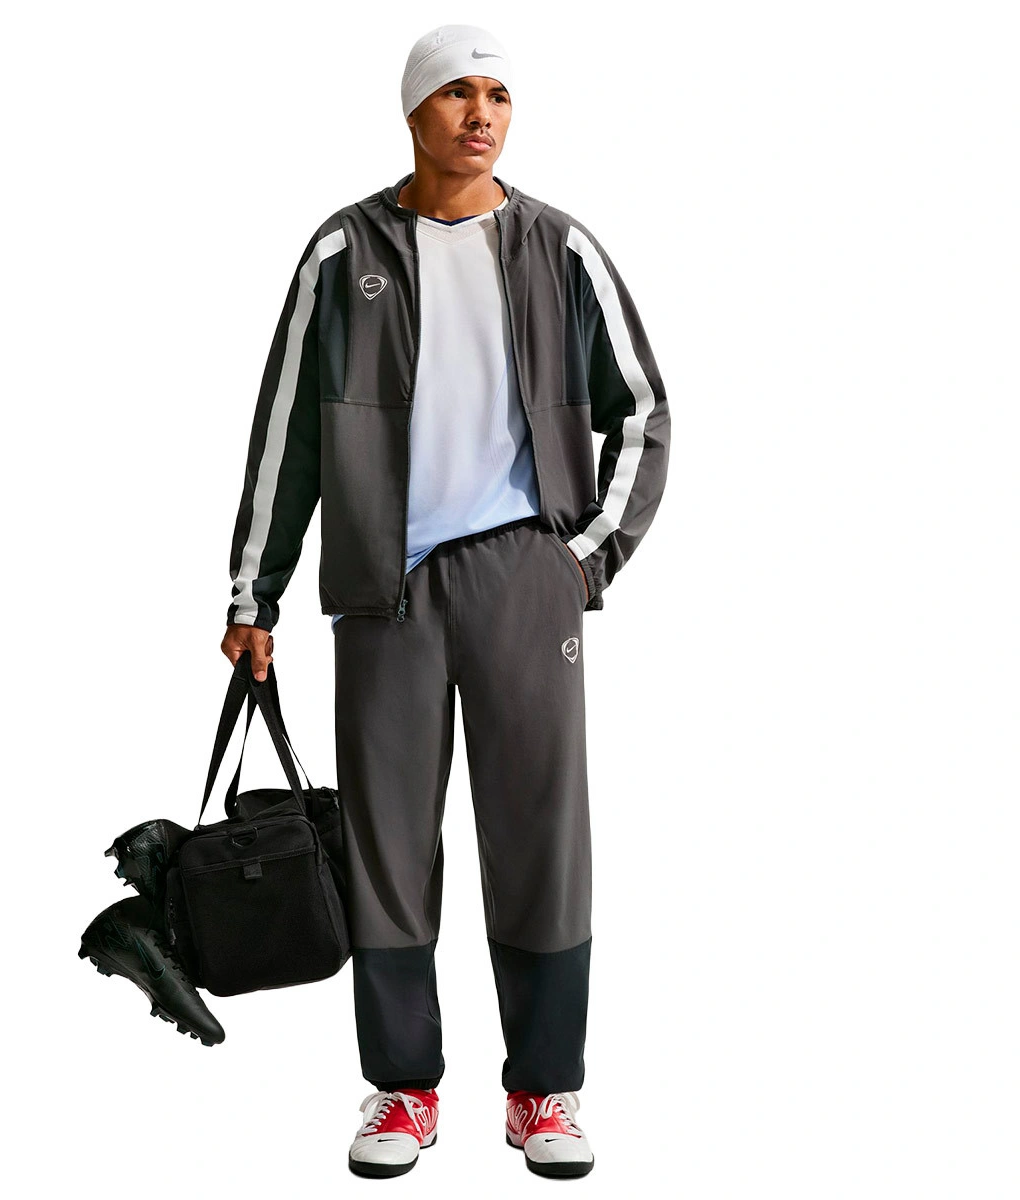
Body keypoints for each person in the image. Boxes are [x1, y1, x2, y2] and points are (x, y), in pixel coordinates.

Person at [219, 24, 671, 1180]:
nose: (481, 114)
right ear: (414, 111)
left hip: (525, 577)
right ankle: (404, 1090)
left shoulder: (559, 247)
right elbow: (288, 430)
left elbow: (643, 412)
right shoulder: (344, 249)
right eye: (458, 94)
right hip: (383, 592)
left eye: (498, 95)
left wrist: (585, 561)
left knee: (540, 839)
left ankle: (544, 1092)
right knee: (386, 848)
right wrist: (254, 592)